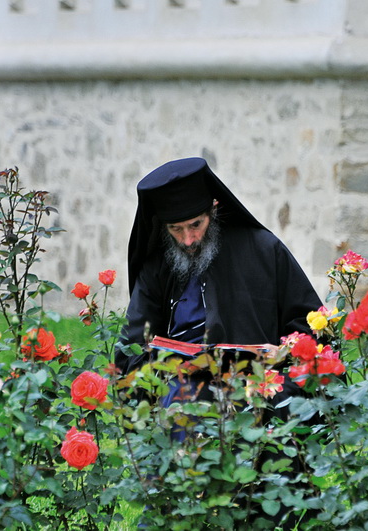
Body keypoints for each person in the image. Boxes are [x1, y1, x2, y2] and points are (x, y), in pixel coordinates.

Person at [116, 157, 323, 527]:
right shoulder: (157, 267)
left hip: (259, 384)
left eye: (195, 225)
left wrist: (283, 356)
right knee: (186, 399)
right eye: (176, 230)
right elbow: (131, 349)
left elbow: (309, 327)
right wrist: (160, 366)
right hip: (181, 386)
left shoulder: (264, 249)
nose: (189, 239)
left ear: (214, 208)